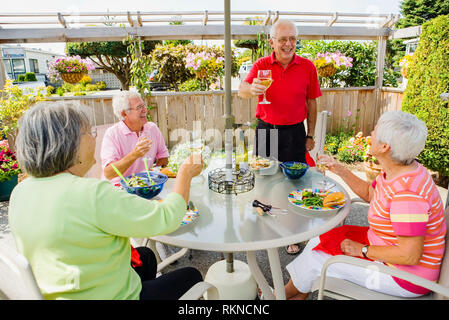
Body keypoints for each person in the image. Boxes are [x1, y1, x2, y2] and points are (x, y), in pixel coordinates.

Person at [9, 101, 204, 300]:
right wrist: (185, 174)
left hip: (64, 289)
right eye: (89, 133)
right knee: (193, 276)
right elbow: (167, 218)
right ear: (70, 143)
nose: (95, 139)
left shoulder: (19, 192)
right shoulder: (91, 194)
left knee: (145, 255)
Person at [277, 110, 446, 299]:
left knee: (317, 259)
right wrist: (339, 169)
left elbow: (409, 255)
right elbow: (369, 193)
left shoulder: (407, 195)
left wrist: (362, 250)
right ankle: (298, 295)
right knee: (320, 240)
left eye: (374, 131)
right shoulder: (398, 169)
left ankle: (281, 295)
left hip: (405, 276)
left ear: (384, 147)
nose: (370, 135)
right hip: (384, 245)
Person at [238, 19, 322, 254]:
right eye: (283, 39)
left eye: (292, 38)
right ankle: (265, 229)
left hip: (295, 133)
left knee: (294, 184)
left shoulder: (308, 66)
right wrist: (251, 89)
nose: (288, 44)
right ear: (272, 41)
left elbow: (311, 103)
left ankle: (290, 233)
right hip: (267, 130)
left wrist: (311, 134)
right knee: (264, 182)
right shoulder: (262, 64)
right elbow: (242, 90)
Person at [101, 90, 169, 185]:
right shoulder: (112, 134)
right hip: (119, 188)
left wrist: (156, 172)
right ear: (124, 114)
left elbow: (163, 157)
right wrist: (135, 154)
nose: (145, 110)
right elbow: (109, 173)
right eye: (139, 107)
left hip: (145, 185)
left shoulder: (152, 129)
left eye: (143, 105)